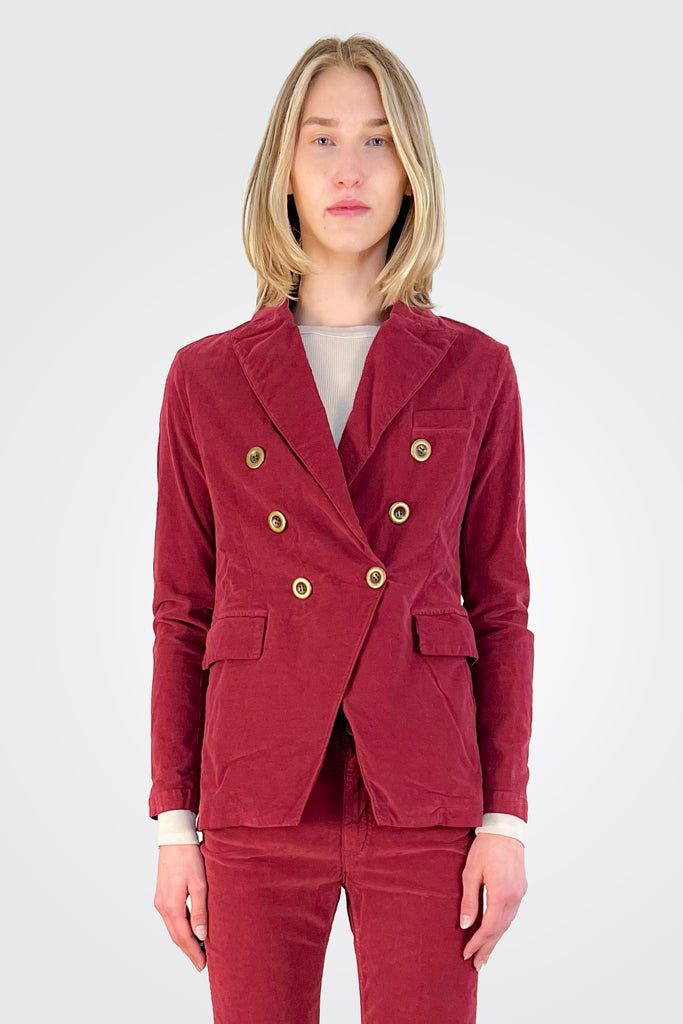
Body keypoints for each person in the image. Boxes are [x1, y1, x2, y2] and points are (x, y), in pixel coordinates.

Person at [150, 34, 533, 1024]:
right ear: (283, 166)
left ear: (411, 171)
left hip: (422, 782)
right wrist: (172, 825)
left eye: (377, 140)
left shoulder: (476, 368)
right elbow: (181, 612)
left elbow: (499, 607)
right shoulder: (204, 377)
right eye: (321, 139)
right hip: (256, 780)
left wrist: (504, 820)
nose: (349, 169)